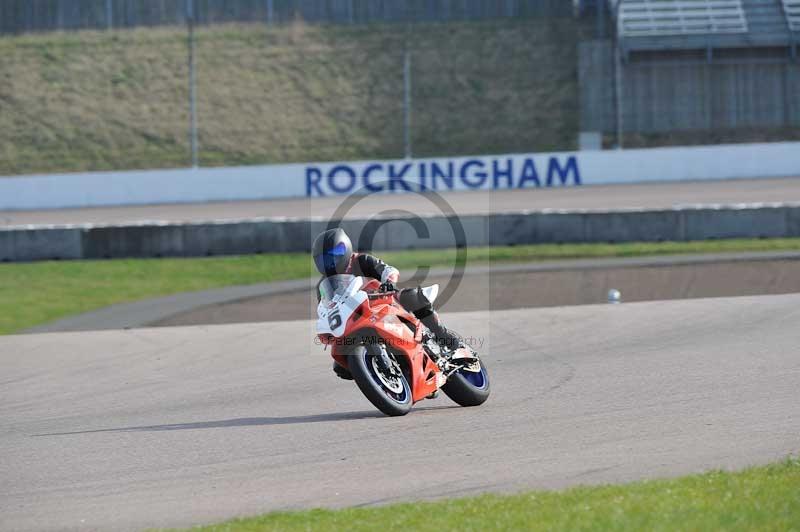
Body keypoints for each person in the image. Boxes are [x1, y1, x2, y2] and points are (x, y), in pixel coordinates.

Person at [312, 228, 461, 380]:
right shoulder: (323, 286)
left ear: (346, 248)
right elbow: (325, 308)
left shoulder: (360, 261)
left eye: (336, 254)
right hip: (357, 318)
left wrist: (389, 282)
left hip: (383, 301)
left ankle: (442, 334)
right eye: (324, 259)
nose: (330, 261)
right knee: (340, 367)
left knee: (412, 296)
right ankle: (381, 376)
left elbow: (387, 270)